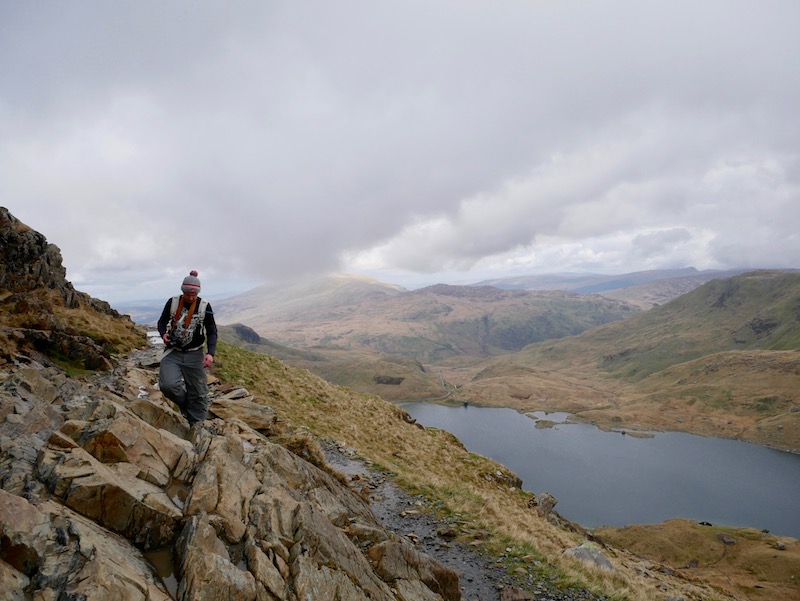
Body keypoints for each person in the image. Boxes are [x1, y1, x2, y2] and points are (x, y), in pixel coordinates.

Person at [157, 270, 218, 427]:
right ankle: (186, 407)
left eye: (194, 295)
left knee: (199, 391)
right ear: (182, 291)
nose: (191, 298)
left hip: (195, 353)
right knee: (167, 386)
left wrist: (210, 353)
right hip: (173, 352)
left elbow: (211, 331)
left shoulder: (204, 306)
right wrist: (163, 334)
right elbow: (161, 322)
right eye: (188, 294)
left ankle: (196, 424)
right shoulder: (173, 302)